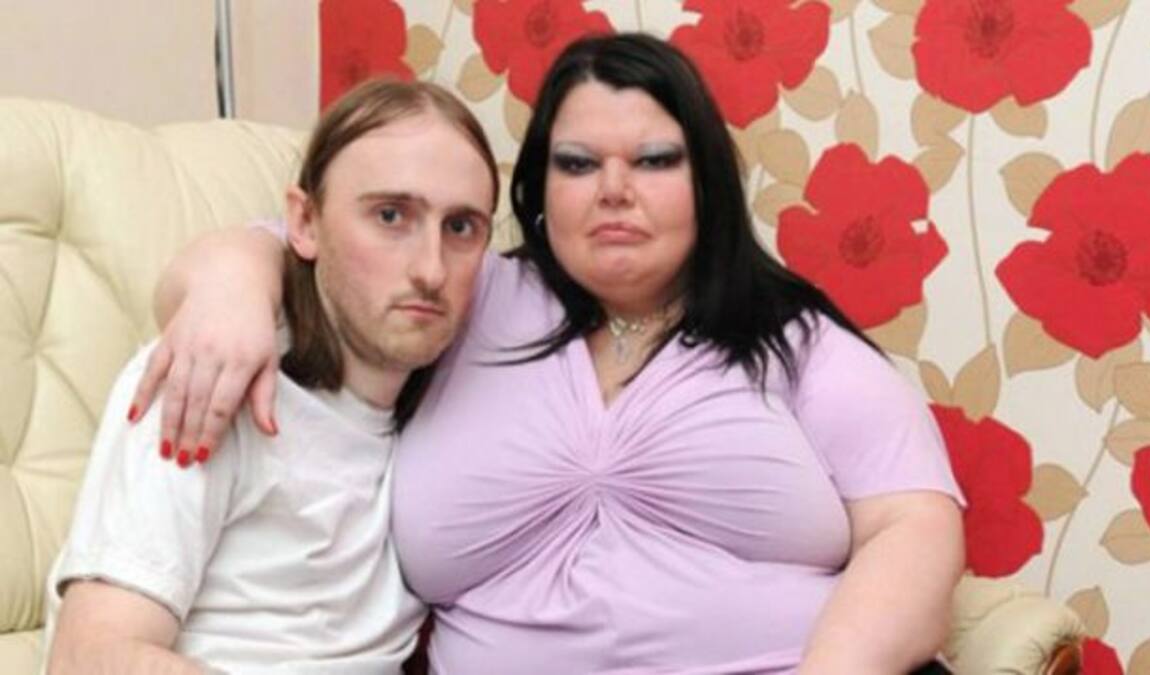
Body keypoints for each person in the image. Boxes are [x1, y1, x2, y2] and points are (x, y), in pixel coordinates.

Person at [133, 34, 965, 674]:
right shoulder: (457, 292)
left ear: (705, 186)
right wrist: (231, 290)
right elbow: (294, 253)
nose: (614, 190)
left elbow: (916, 527)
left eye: (654, 160)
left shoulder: (794, 340)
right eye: (577, 164)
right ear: (538, 192)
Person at [43, 78, 498, 674]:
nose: (431, 270)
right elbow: (90, 658)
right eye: (390, 215)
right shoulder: (208, 375)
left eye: (461, 228)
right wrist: (233, 272)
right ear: (304, 222)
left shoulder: (460, 403)